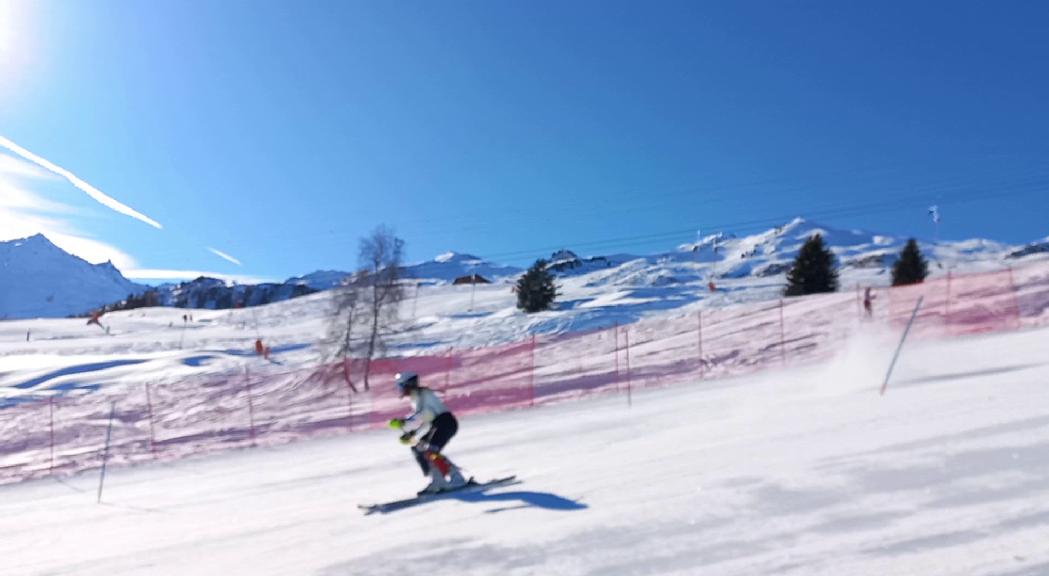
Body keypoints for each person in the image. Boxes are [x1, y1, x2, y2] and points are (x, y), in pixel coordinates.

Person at [388, 371, 467, 494]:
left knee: (430, 450)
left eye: (401, 386)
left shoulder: (423, 394)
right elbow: (426, 419)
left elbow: (425, 414)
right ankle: (437, 479)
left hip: (446, 423)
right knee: (419, 449)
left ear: (408, 384)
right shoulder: (417, 396)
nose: (400, 390)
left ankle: (455, 478)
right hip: (438, 424)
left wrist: (404, 423)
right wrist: (413, 433)